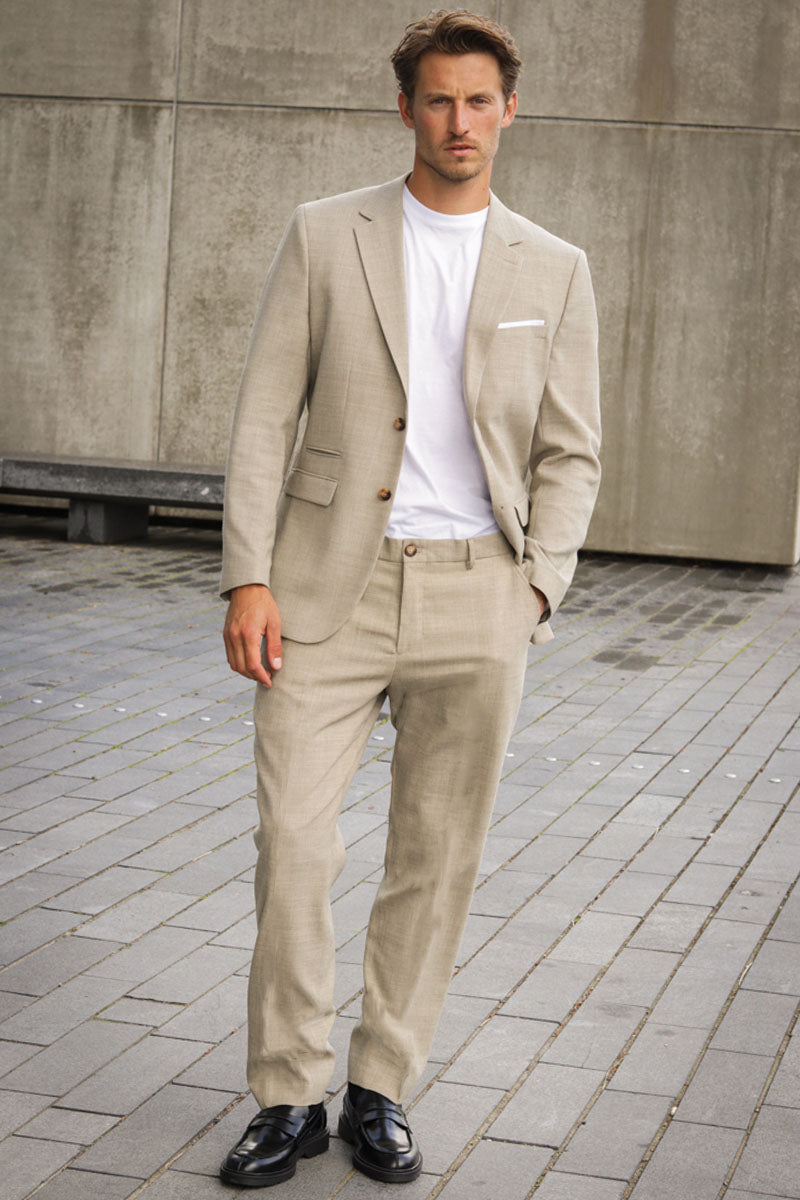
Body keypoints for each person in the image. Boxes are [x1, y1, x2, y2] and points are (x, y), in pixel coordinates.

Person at [218, 8, 600, 1189]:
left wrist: (535, 589)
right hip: (322, 588)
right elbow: (263, 416)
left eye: (478, 101)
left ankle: (380, 1084)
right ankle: (287, 1092)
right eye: (437, 99)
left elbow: (570, 450)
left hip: (477, 593)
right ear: (405, 109)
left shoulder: (554, 266)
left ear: (508, 111)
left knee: (436, 856)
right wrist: (246, 574)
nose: (458, 122)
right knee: (294, 842)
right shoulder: (325, 233)